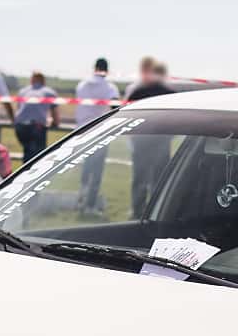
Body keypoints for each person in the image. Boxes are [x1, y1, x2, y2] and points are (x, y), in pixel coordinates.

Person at [125, 59, 175, 217]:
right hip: (161, 142)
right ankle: (155, 212)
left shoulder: (139, 92)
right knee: (158, 181)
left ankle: (137, 211)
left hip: (142, 142)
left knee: (140, 179)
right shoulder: (170, 94)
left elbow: (128, 116)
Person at [72, 57, 120, 213]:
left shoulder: (82, 85)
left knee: (86, 168)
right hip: (99, 132)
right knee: (96, 171)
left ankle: (80, 199)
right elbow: (115, 108)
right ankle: (90, 206)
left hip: (82, 130)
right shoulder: (110, 87)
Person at [11, 70, 59, 163]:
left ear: (31, 80)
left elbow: (19, 108)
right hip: (36, 126)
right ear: (43, 80)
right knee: (37, 157)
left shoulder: (23, 91)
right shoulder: (49, 92)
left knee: (27, 151)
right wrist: (54, 123)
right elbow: (55, 113)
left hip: (20, 126)